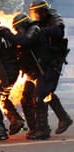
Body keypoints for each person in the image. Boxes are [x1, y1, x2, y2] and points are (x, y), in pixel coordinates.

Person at [0, 13, 52, 139]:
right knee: (26, 100)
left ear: (22, 24)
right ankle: (34, 129)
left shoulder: (34, 29)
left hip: (41, 71)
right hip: (31, 73)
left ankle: (43, 129)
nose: (17, 31)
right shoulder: (23, 34)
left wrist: (7, 34)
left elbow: (24, 42)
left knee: (39, 100)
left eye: (18, 28)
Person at [29, 0, 72, 135]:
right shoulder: (39, 22)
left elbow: (58, 32)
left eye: (36, 12)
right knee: (45, 92)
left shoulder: (54, 18)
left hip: (53, 63)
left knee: (39, 95)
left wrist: (41, 30)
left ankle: (43, 129)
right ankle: (64, 118)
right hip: (44, 63)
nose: (34, 15)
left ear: (42, 11)